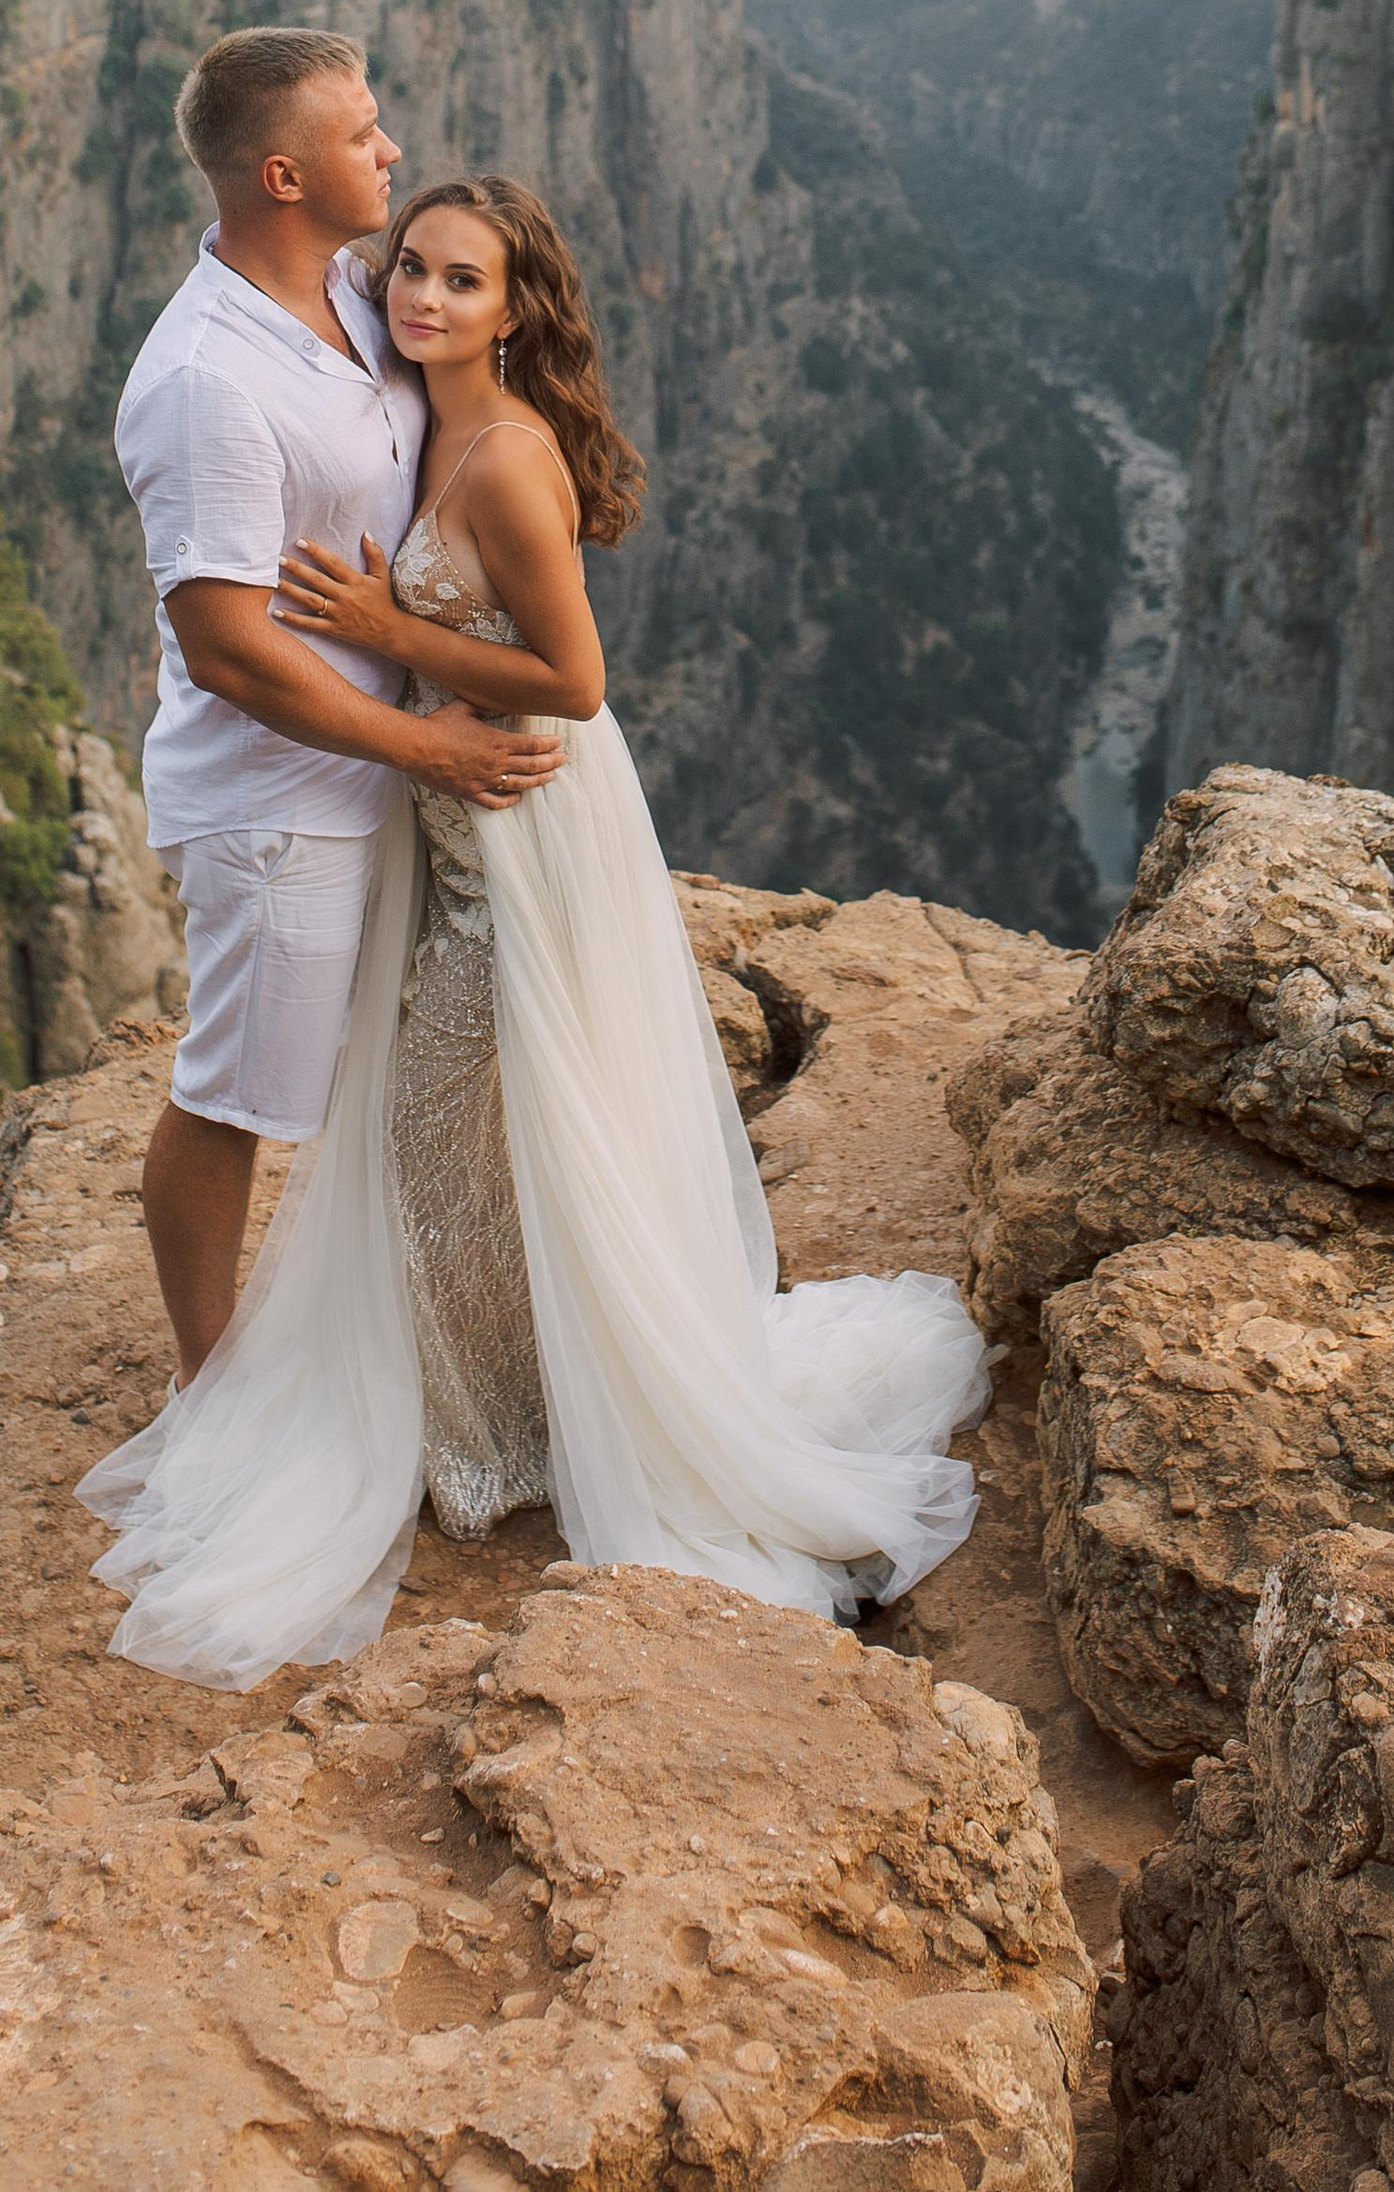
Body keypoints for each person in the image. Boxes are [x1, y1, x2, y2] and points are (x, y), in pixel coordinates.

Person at [81, 170, 988, 1683]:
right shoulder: (409, 406)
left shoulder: (502, 457)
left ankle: (515, 1422)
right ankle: (508, 1392)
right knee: (481, 1128)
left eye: (462, 282)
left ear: (516, 312)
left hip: (521, 823)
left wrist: (385, 635)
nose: (424, 299)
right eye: (412, 269)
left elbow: (572, 679)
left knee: (444, 1121)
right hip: (450, 831)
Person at [106, 31, 566, 1404]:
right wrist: (434, 741)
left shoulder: (363, 297)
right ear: (285, 173)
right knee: (241, 1093)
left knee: (390, 1075)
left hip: (386, 777)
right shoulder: (204, 382)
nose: (391, 150)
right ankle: (214, 1383)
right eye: (364, 135)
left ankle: (417, 1350)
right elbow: (229, 650)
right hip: (277, 803)